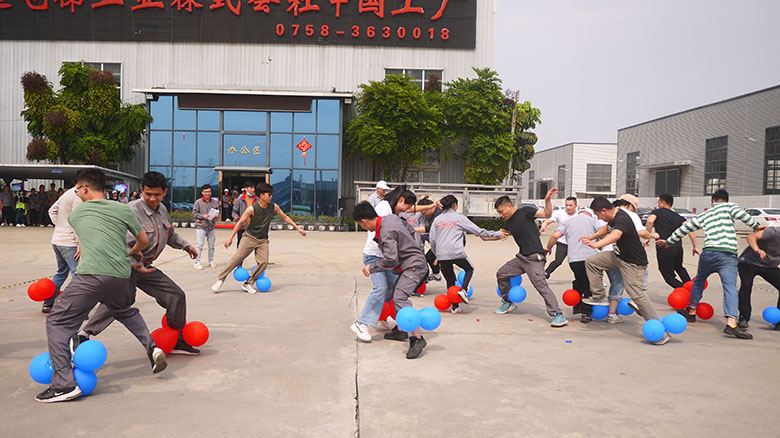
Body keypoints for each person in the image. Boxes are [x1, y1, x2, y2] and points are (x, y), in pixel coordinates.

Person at [37, 169, 166, 403]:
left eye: (77, 189)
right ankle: (152, 348)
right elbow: (144, 240)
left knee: (57, 321)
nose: (77, 193)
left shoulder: (77, 214)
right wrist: (132, 252)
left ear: (84, 188)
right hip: (120, 274)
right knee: (123, 310)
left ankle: (63, 384)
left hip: (92, 274)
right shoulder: (123, 209)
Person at [74, 171, 201, 355]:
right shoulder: (131, 210)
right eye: (148, 194)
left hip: (146, 266)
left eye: (157, 195)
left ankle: (177, 338)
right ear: (142, 190)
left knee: (176, 295)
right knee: (122, 301)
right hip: (125, 265)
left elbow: (170, 235)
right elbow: (119, 242)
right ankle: (84, 333)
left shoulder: (162, 209)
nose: (152, 198)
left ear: (164, 192)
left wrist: (186, 246)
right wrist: (134, 262)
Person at [658, 189, 759, 339]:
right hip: (728, 254)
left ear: (713, 201)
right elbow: (743, 216)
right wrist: (756, 226)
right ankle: (731, 323)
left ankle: (691, 311)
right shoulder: (729, 207)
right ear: (726, 200)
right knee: (729, 287)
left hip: (709, 253)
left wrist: (669, 241)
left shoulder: (705, 214)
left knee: (698, 281)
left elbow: (685, 228)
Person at [580, 197, 669, 345]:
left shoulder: (622, 218)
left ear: (604, 211)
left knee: (637, 295)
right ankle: (599, 296)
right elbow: (606, 229)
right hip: (619, 256)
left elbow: (615, 235)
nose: (598, 218)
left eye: (598, 215)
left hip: (633, 263)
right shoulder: (614, 215)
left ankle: (660, 332)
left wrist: (596, 245)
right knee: (592, 262)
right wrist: (591, 237)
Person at [353, 201, 429, 359]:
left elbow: (391, 259)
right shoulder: (390, 218)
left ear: (364, 221)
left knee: (400, 297)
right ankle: (401, 330)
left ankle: (417, 339)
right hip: (412, 263)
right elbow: (408, 227)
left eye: (361, 225)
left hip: (414, 267)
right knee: (394, 291)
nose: (364, 228)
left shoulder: (385, 232)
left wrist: (371, 268)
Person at [493, 188, 568, 327]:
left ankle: (558, 315)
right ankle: (507, 302)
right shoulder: (508, 223)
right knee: (502, 273)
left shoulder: (525, 211)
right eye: (499, 213)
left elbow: (546, 214)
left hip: (534, 257)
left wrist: (547, 200)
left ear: (509, 206)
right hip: (522, 257)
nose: (501, 215)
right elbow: (500, 235)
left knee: (541, 285)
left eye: (501, 211)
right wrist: (483, 235)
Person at [213, 182, 306, 294]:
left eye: (271, 195)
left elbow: (285, 217)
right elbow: (240, 222)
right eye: (269, 195)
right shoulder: (252, 209)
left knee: (263, 262)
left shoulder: (274, 207)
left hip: (263, 240)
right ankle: (220, 279)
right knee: (237, 258)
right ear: (261, 195)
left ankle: (248, 283)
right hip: (249, 237)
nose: (271, 197)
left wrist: (298, 228)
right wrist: (230, 238)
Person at [350, 188, 417, 342]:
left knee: (394, 288)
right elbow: (377, 228)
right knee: (380, 288)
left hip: (387, 257)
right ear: (400, 200)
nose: (407, 211)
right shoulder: (383, 208)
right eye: (407, 207)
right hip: (374, 256)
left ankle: (380, 314)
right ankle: (362, 323)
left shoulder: (393, 212)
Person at [429, 195, 503, 313]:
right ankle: (463, 290)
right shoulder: (459, 218)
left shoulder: (437, 220)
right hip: (456, 252)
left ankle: (454, 306)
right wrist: (497, 233)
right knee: (469, 269)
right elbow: (478, 231)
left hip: (442, 255)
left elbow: (432, 239)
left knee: (450, 280)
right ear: (454, 205)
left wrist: (437, 254)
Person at [545, 209, 601, 323]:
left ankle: (577, 305)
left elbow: (555, 235)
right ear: (590, 214)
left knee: (579, 280)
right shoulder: (594, 221)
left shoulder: (568, 222)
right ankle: (586, 312)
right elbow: (603, 234)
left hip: (574, 260)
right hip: (590, 259)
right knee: (589, 284)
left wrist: (548, 247)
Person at [645, 193, 699, 289]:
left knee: (668, 276)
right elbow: (690, 229)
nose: (657, 205)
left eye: (658, 202)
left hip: (664, 247)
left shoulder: (657, 212)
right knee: (679, 268)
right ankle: (693, 288)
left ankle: (685, 292)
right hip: (678, 248)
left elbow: (650, 221)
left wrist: (647, 236)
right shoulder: (677, 216)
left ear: (663, 202)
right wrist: (695, 246)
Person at [43, 184, 83, 314]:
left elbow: (51, 211)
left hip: (57, 239)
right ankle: (74, 308)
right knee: (77, 276)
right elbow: (77, 222)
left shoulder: (66, 193)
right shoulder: (77, 196)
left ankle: (48, 303)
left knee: (61, 273)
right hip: (69, 242)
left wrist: (60, 225)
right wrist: (79, 244)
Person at [737, 226, 780, 330]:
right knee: (746, 285)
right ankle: (744, 318)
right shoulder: (774, 232)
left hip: (769, 266)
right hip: (748, 263)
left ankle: (778, 321)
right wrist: (757, 250)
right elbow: (750, 237)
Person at [540, 197, 578, 278]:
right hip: (562, 242)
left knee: (577, 263)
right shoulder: (559, 213)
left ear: (576, 206)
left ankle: (586, 279)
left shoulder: (579, 215)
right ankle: (545, 275)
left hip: (575, 243)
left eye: (570, 205)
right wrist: (543, 226)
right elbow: (547, 221)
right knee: (558, 261)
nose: (568, 207)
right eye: (566, 205)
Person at [193, 184, 219, 269]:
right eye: (206, 192)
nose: (208, 193)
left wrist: (215, 216)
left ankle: (210, 261)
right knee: (199, 245)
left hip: (211, 226)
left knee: (211, 246)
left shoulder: (214, 202)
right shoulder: (198, 202)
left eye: (209, 192)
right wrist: (203, 216)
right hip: (201, 226)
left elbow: (217, 211)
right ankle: (197, 262)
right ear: (202, 192)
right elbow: (194, 214)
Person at [232, 181, 259, 253]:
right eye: (251, 188)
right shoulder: (240, 200)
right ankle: (239, 263)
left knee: (257, 246)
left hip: (254, 227)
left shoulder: (257, 200)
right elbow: (234, 211)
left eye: (253, 188)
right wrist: (236, 216)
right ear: (246, 189)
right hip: (242, 226)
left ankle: (259, 263)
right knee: (240, 245)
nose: (253, 190)